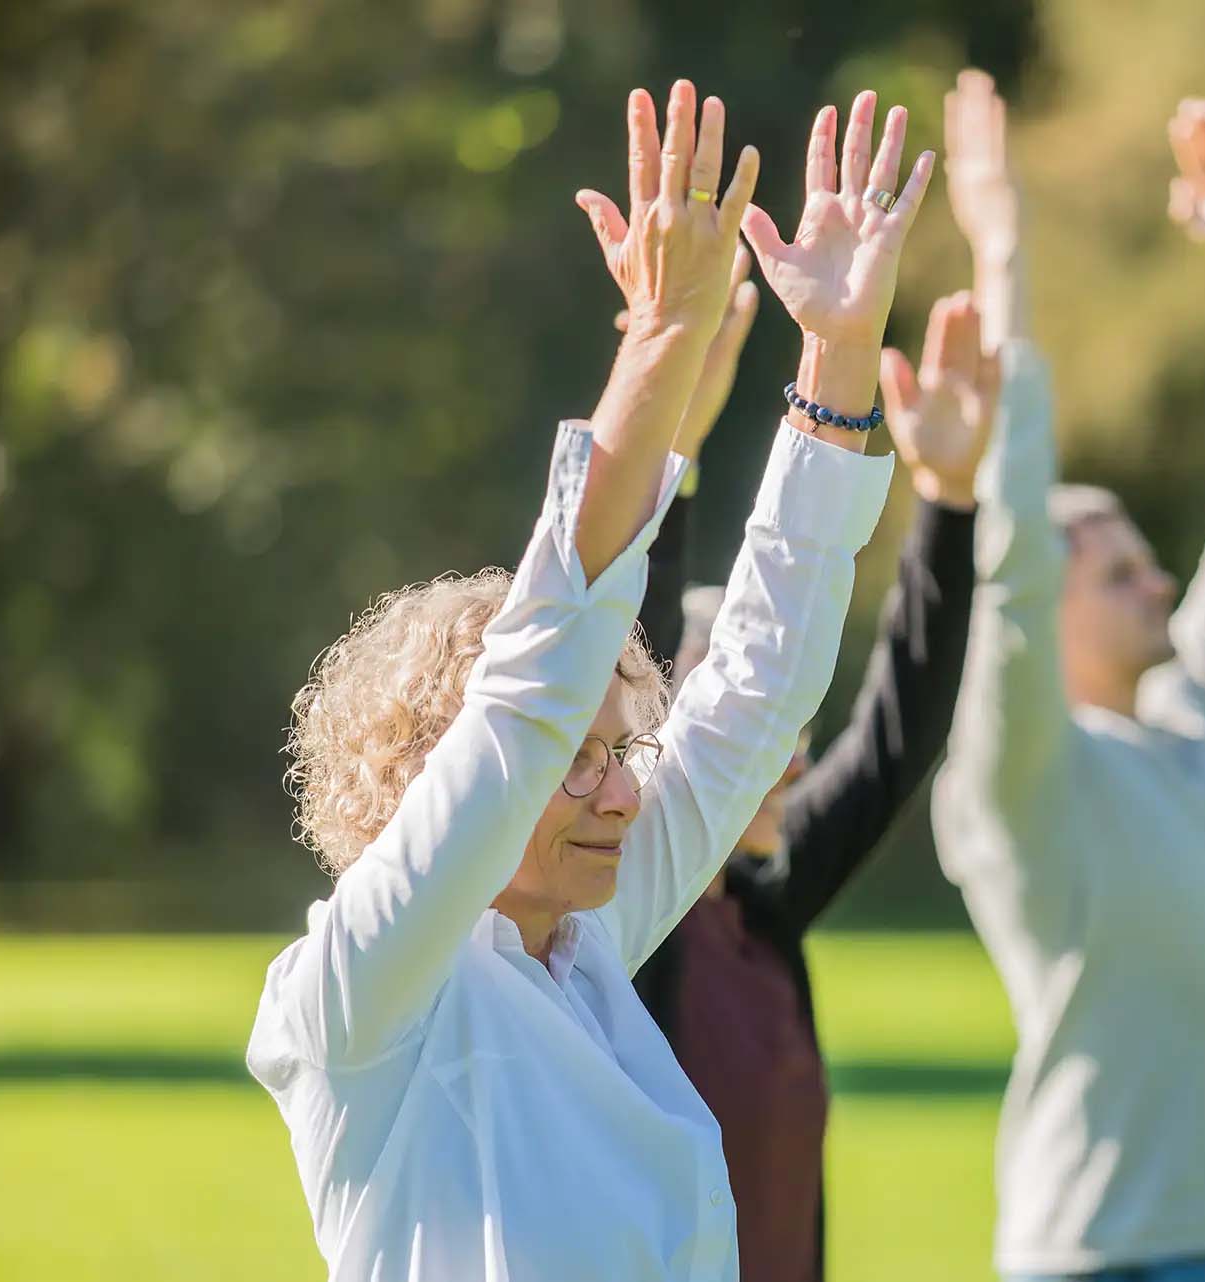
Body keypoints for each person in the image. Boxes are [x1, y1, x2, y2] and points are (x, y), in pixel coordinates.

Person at [246, 81, 936, 1281]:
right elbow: (531, 691)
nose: (623, 796)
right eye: (583, 760)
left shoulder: (590, 942)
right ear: (426, 774)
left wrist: (837, 355)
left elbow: (760, 684)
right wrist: (669, 335)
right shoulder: (358, 990)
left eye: (624, 753)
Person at [931, 72, 1205, 1281]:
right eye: (1119, 574)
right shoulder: (1018, 779)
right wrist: (1002, 258)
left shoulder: (1186, 727)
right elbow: (1002, 563)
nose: (1162, 584)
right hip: (1104, 1253)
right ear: (1045, 612)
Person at [630, 280, 999, 1282]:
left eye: (794, 733)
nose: (790, 756)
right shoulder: (621, 935)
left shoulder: (768, 910)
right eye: (757, 737)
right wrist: (674, 448)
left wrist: (951, 503)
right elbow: (642, 648)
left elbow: (895, 741)